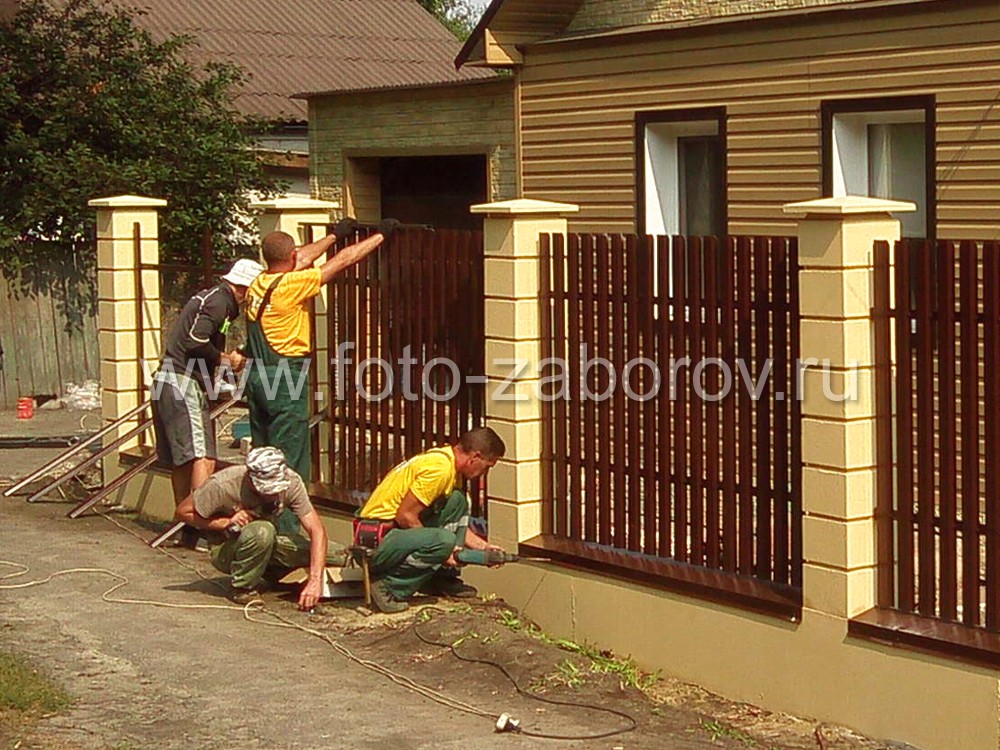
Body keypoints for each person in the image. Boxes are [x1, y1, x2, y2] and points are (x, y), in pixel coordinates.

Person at [244, 217, 400, 485]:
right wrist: (381, 236)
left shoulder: (260, 282)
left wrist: (333, 236)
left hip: (257, 375)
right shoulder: (291, 287)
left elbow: (301, 258)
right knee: (289, 456)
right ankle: (287, 524)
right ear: (290, 255)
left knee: (263, 455)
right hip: (285, 380)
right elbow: (341, 262)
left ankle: (260, 513)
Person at [151, 258, 262, 546]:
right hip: (181, 380)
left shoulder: (211, 298)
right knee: (204, 455)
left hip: (169, 378)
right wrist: (228, 360)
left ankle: (184, 524)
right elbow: (194, 341)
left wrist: (212, 385)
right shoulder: (220, 302)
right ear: (244, 288)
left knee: (183, 457)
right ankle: (200, 525)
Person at [354, 427, 507, 613]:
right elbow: (406, 515)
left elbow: (454, 521)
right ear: (475, 457)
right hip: (374, 543)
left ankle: (440, 579)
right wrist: (446, 551)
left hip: (391, 535)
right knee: (444, 540)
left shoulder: (448, 465)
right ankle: (387, 587)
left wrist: (484, 548)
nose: (485, 473)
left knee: (457, 501)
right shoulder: (439, 470)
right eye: (487, 466)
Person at [174, 446, 346, 608]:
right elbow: (182, 512)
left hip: (270, 542)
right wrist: (224, 522)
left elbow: (316, 531)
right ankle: (243, 587)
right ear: (250, 478)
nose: (271, 495)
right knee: (262, 531)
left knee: (342, 556)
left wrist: (315, 580)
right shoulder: (223, 484)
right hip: (227, 548)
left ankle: (274, 574)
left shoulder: (292, 482)